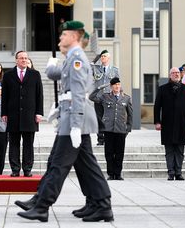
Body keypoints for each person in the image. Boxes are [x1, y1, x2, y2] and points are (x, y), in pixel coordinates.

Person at [17, 20, 113, 223]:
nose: (60, 38)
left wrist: (76, 125)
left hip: (75, 119)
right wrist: (52, 66)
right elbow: (60, 75)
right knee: (87, 165)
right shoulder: (71, 58)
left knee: (58, 163)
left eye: (64, 35)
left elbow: (78, 93)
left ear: (75, 36)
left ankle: (42, 205)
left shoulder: (77, 58)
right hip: (71, 115)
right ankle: (100, 204)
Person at [2, 51, 43, 177]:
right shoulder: (8, 75)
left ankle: (27, 169)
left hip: (29, 115)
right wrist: (4, 113)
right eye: (21, 58)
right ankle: (15, 169)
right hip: (13, 115)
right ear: (16, 60)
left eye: (26, 58)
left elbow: (39, 95)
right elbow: (5, 96)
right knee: (14, 144)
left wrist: (39, 112)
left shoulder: (35, 74)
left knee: (28, 144)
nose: (24, 60)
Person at [154, 67, 185, 181]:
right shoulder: (163, 89)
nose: (176, 74)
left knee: (180, 150)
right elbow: (157, 106)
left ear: (180, 75)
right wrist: (157, 122)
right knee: (169, 149)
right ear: (170, 75)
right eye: (174, 73)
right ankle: (171, 172)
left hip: (182, 123)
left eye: (178, 73)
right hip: (167, 123)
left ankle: (178, 172)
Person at [89, 77, 133, 180]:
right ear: (111, 86)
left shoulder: (126, 98)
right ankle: (111, 173)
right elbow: (91, 97)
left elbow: (130, 114)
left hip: (121, 129)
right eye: (115, 85)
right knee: (108, 152)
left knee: (119, 153)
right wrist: (99, 87)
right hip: (108, 129)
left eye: (118, 84)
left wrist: (128, 128)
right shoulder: (105, 97)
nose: (117, 86)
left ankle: (117, 174)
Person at [92, 50, 120, 146]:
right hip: (98, 97)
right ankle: (100, 138)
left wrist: (118, 95)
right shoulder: (95, 68)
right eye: (101, 56)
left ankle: (108, 137)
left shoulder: (114, 70)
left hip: (109, 97)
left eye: (104, 56)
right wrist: (95, 59)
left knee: (109, 118)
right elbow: (87, 68)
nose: (102, 58)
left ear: (109, 58)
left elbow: (117, 83)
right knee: (99, 117)